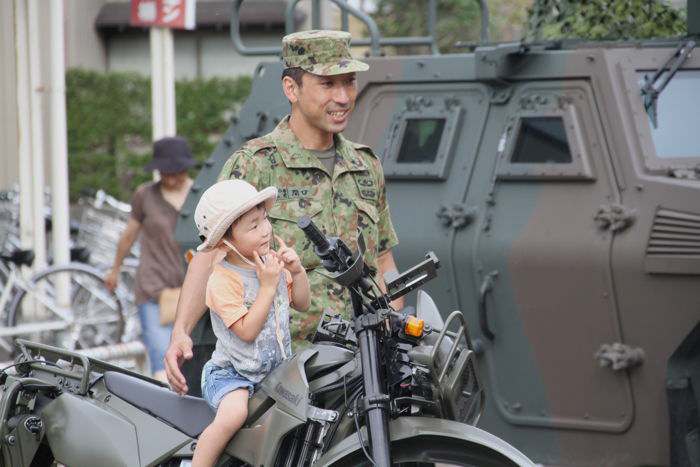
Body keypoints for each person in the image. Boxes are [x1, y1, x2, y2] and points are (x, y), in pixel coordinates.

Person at [165, 30, 403, 396]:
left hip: (362, 368)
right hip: (284, 375)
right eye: (327, 84)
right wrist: (181, 331)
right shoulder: (255, 165)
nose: (343, 97)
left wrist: (393, 322)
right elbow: (211, 256)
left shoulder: (365, 165)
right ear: (291, 88)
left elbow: (383, 260)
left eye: (349, 82)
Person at [191, 179, 310, 467]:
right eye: (253, 226)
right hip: (233, 374)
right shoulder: (223, 280)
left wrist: (297, 269)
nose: (266, 229)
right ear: (224, 241)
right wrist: (268, 287)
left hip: (276, 371)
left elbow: (302, 303)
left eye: (265, 219)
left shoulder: (272, 264)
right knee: (234, 415)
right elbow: (246, 332)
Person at [104, 136, 194, 382]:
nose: (173, 178)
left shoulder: (199, 193)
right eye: (167, 172)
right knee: (161, 356)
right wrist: (115, 268)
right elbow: (129, 235)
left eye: (178, 172)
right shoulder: (145, 195)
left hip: (192, 289)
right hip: (154, 287)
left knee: (193, 358)